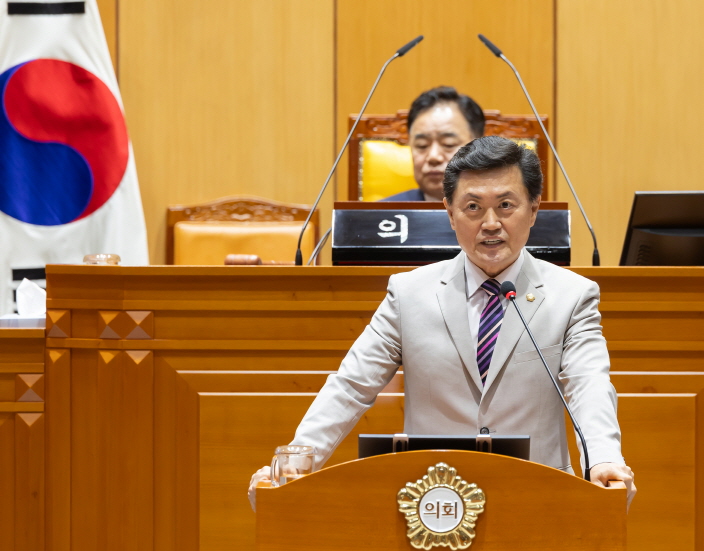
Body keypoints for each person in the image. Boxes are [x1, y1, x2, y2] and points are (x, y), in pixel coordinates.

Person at [249, 136, 636, 510]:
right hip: (430, 502)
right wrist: (297, 459)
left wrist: (603, 459)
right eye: (473, 207)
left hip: (538, 497)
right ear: (450, 213)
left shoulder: (573, 296)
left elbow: (589, 385)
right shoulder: (408, 294)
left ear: (534, 209)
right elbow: (351, 385)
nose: (490, 223)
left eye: (505, 205)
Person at [380, 86, 485, 202]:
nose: (433, 157)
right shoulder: (385, 211)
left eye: (448, 144)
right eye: (422, 145)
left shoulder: (500, 210)